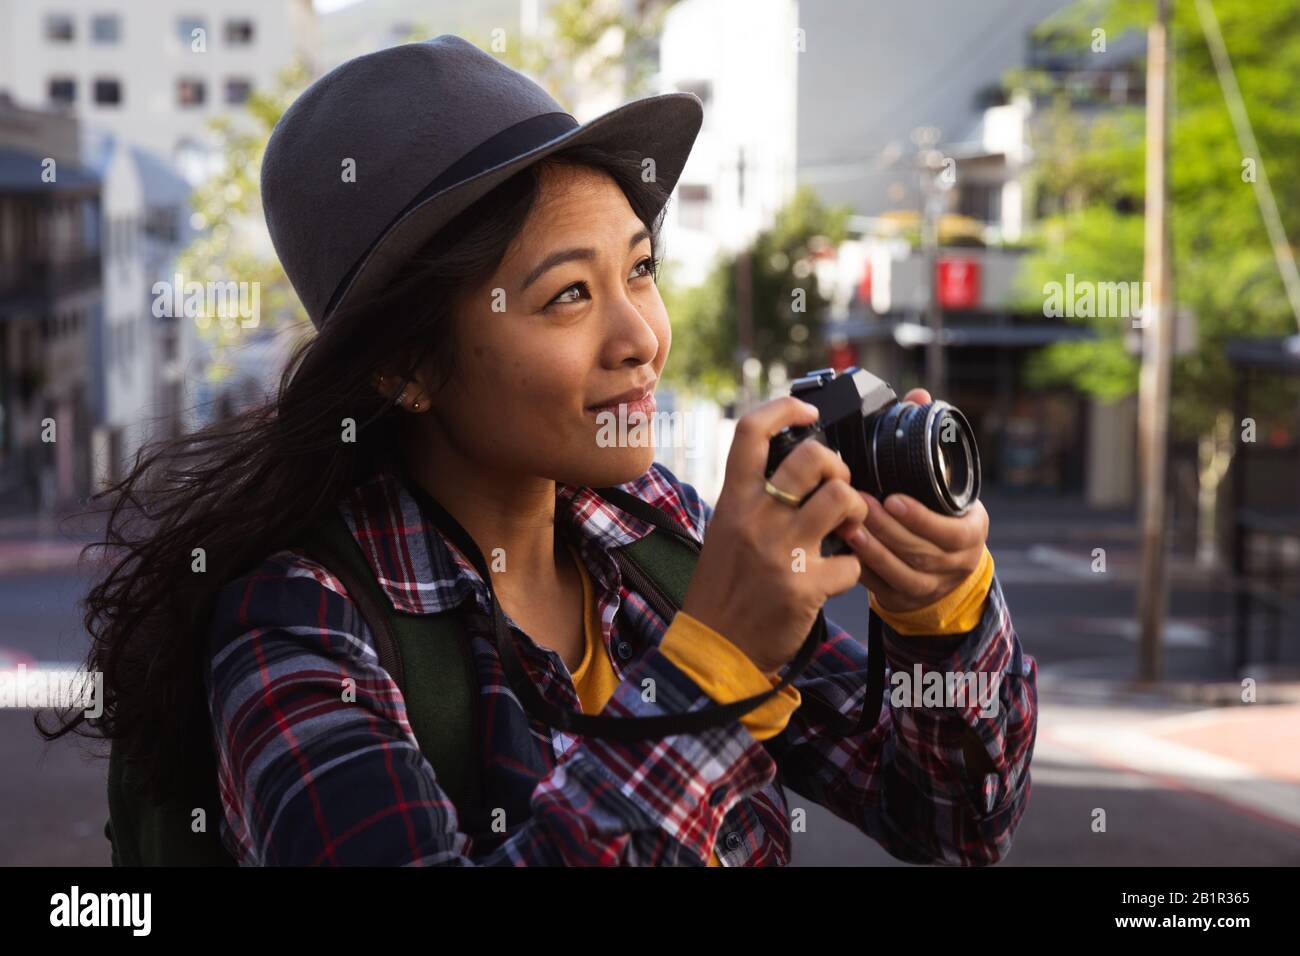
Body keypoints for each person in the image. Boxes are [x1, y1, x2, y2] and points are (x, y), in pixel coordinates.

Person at [57, 36, 1036, 866]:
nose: (640, 337)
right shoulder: (297, 625)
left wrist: (936, 607)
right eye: (567, 294)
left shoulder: (653, 528)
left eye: (639, 270)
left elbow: (947, 819)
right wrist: (707, 678)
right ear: (406, 365)